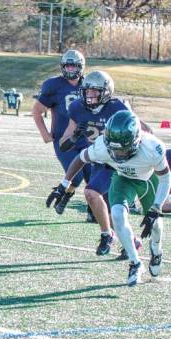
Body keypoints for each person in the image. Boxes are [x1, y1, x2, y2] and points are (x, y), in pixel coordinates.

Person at [47, 110, 170, 286]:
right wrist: (64, 184)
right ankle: (135, 263)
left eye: (123, 149)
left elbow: (165, 177)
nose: (118, 154)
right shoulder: (103, 145)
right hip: (122, 179)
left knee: (156, 224)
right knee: (118, 215)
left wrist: (156, 207)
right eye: (114, 149)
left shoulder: (152, 147)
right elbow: (80, 158)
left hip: (147, 179)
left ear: (136, 140)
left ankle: (156, 250)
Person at [53, 71, 148, 256]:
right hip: (101, 160)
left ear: (106, 91)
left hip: (122, 163)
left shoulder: (118, 107)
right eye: (87, 91)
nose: (89, 96)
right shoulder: (77, 108)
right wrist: (74, 136)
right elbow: (64, 145)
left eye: (95, 91)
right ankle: (120, 238)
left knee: (108, 204)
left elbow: (144, 131)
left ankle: (114, 237)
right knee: (98, 200)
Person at [32, 50, 91, 217]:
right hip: (64, 140)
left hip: (86, 139)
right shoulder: (53, 85)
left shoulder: (88, 85)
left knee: (92, 177)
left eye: (74, 66)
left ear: (81, 67)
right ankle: (66, 195)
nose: (71, 69)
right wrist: (45, 134)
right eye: (68, 65)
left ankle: (91, 208)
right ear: (62, 66)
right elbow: (36, 111)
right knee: (77, 176)